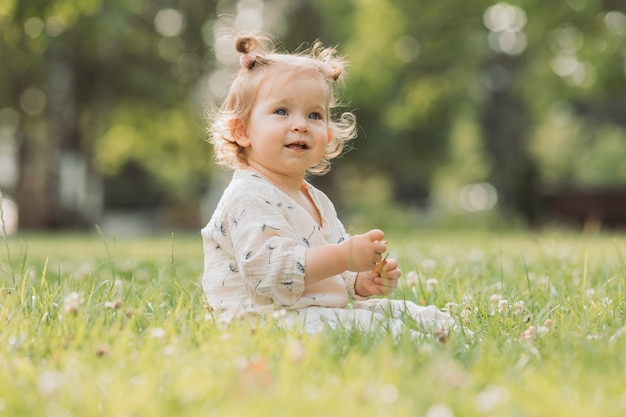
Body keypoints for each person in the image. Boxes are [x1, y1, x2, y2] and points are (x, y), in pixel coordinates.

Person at [202, 34, 456, 338]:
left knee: (403, 311)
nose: (301, 124)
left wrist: (359, 279)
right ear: (242, 130)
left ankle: (454, 334)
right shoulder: (247, 196)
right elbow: (271, 272)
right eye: (281, 111)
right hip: (261, 322)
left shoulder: (316, 199)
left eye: (314, 115)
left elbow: (329, 270)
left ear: (328, 133)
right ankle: (421, 347)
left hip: (311, 314)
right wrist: (343, 256)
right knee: (371, 328)